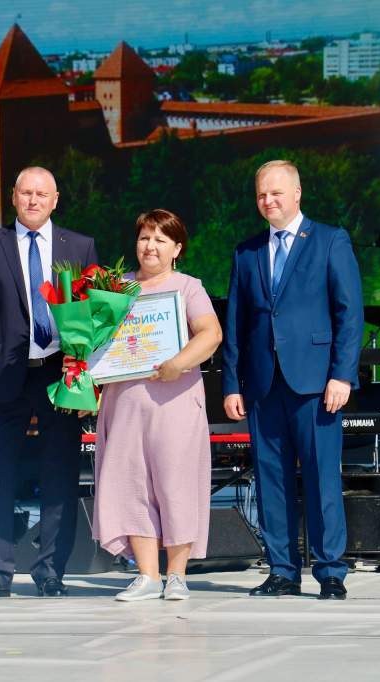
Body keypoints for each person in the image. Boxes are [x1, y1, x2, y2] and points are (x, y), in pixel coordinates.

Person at [221, 160, 363, 600]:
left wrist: (342, 374)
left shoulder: (329, 239)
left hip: (317, 384)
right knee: (270, 480)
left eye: (276, 193)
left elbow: (349, 313)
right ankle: (282, 569)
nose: (268, 201)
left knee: (322, 477)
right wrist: (231, 384)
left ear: (298, 193)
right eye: (262, 194)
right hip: (263, 385)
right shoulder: (246, 253)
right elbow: (236, 323)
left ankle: (330, 570)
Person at [0, 166, 98, 600]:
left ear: (55, 199)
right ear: (13, 198)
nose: (34, 200)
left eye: (42, 194)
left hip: (62, 374)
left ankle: (51, 572)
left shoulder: (80, 246)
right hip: (4, 378)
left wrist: (88, 379)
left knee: (59, 472)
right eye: (26, 193)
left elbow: (93, 319)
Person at [92, 209, 223, 601]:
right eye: (145, 237)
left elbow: (211, 334)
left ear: (177, 248)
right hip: (126, 402)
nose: (150, 246)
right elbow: (92, 338)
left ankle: (177, 575)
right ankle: (147, 576)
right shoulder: (116, 287)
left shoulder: (187, 287)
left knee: (175, 483)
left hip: (175, 400)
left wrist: (177, 365)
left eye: (160, 240)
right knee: (130, 484)